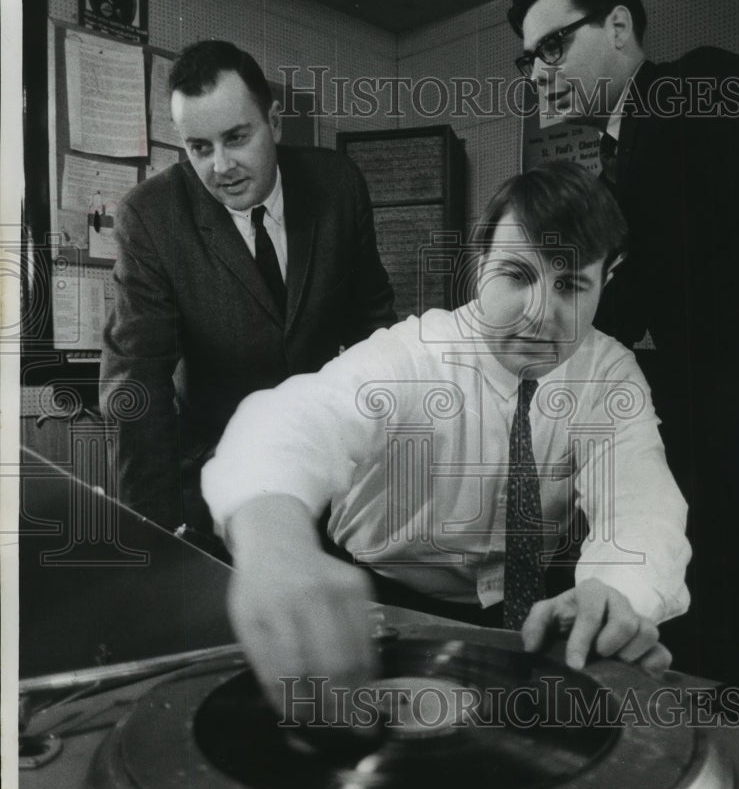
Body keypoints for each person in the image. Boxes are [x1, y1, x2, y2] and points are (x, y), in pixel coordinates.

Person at [202, 162, 690, 710]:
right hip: (380, 604)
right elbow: (294, 418)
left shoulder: (609, 372)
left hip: (536, 615)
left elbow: (642, 501)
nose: (539, 315)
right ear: (480, 264)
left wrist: (618, 592)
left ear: (607, 282)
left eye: (571, 284)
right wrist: (274, 543)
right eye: (517, 275)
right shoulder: (415, 353)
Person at [507, 0, 739, 682]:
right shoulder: (619, 154)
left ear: (618, 26)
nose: (539, 74)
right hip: (714, 432)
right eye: (529, 60)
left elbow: (659, 264)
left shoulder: (696, 85)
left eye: (553, 46)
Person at [100, 40, 396, 542]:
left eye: (236, 138)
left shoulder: (337, 185)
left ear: (274, 123)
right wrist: (156, 535)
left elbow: (375, 328)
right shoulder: (150, 217)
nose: (221, 166)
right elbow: (137, 387)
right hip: (217, 486)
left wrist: (389, 465)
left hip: (334, 477)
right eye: (200, 148)